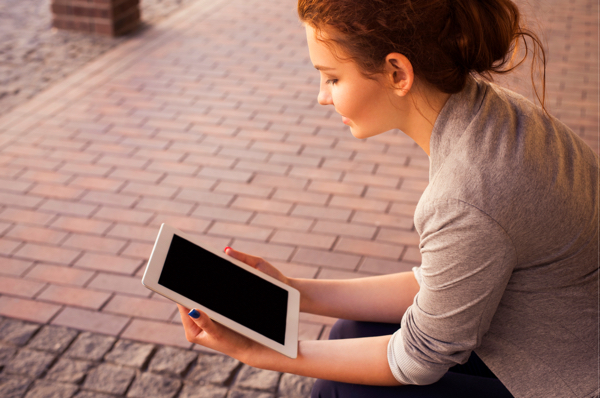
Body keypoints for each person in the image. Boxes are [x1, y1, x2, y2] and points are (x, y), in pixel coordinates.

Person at [177, 0, 599, 397]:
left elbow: (420, 359)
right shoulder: (493, 113)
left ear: (398, 73)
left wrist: (257, 353)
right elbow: (445, 280)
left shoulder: (467, 193)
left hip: (564, 379)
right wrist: (294, 292)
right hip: (556, 339)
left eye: (333, 78)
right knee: (351, 330)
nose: (322, 96)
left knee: (342, 389)